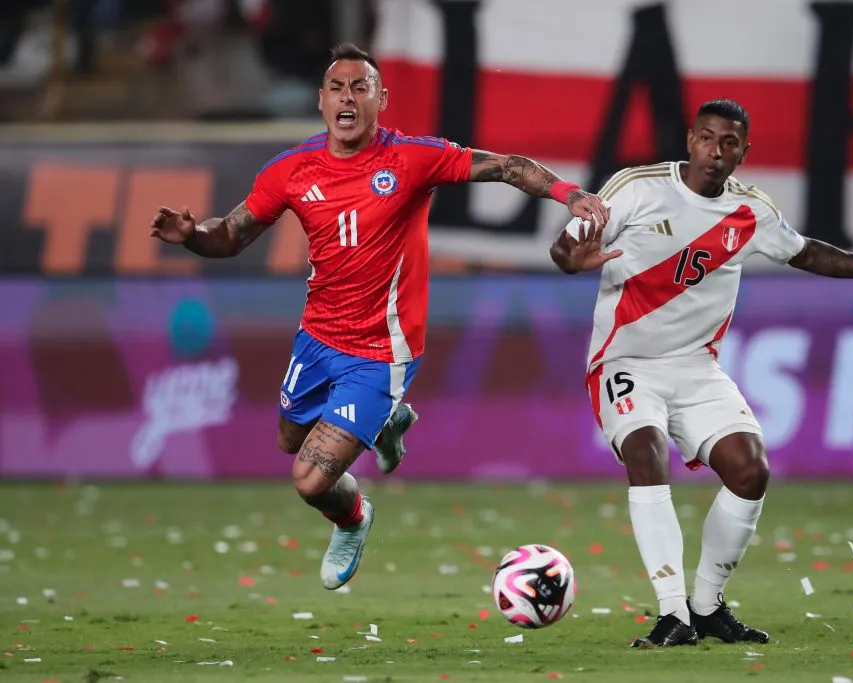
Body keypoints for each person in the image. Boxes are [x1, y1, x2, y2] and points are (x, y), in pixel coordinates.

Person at [150, 42, 609, 592]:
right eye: (337, 89)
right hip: (317, 339)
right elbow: (230, 236)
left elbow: (509, 168)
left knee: (310, 478)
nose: (348, 98)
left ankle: (354, 519)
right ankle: (388, 422)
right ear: (321, 102)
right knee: (290, 439)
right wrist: (192, 236)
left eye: (360, 87)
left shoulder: (413, 159)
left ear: (380, 99)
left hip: (382, 350)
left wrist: (569, 193)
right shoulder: (290, 171)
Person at [549, 99, 853, 648]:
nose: (715, 150)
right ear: (690, 139)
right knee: (645, 449)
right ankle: (671, 613)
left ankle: (706, 606)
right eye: (707, 138)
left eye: (728, 143)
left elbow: (804, 253)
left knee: (750, 471)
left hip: (696, 367)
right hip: (624, 360)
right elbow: (565, 248)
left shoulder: (750, 212)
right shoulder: (635, 187)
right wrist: (573, 261)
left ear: (742, 153)